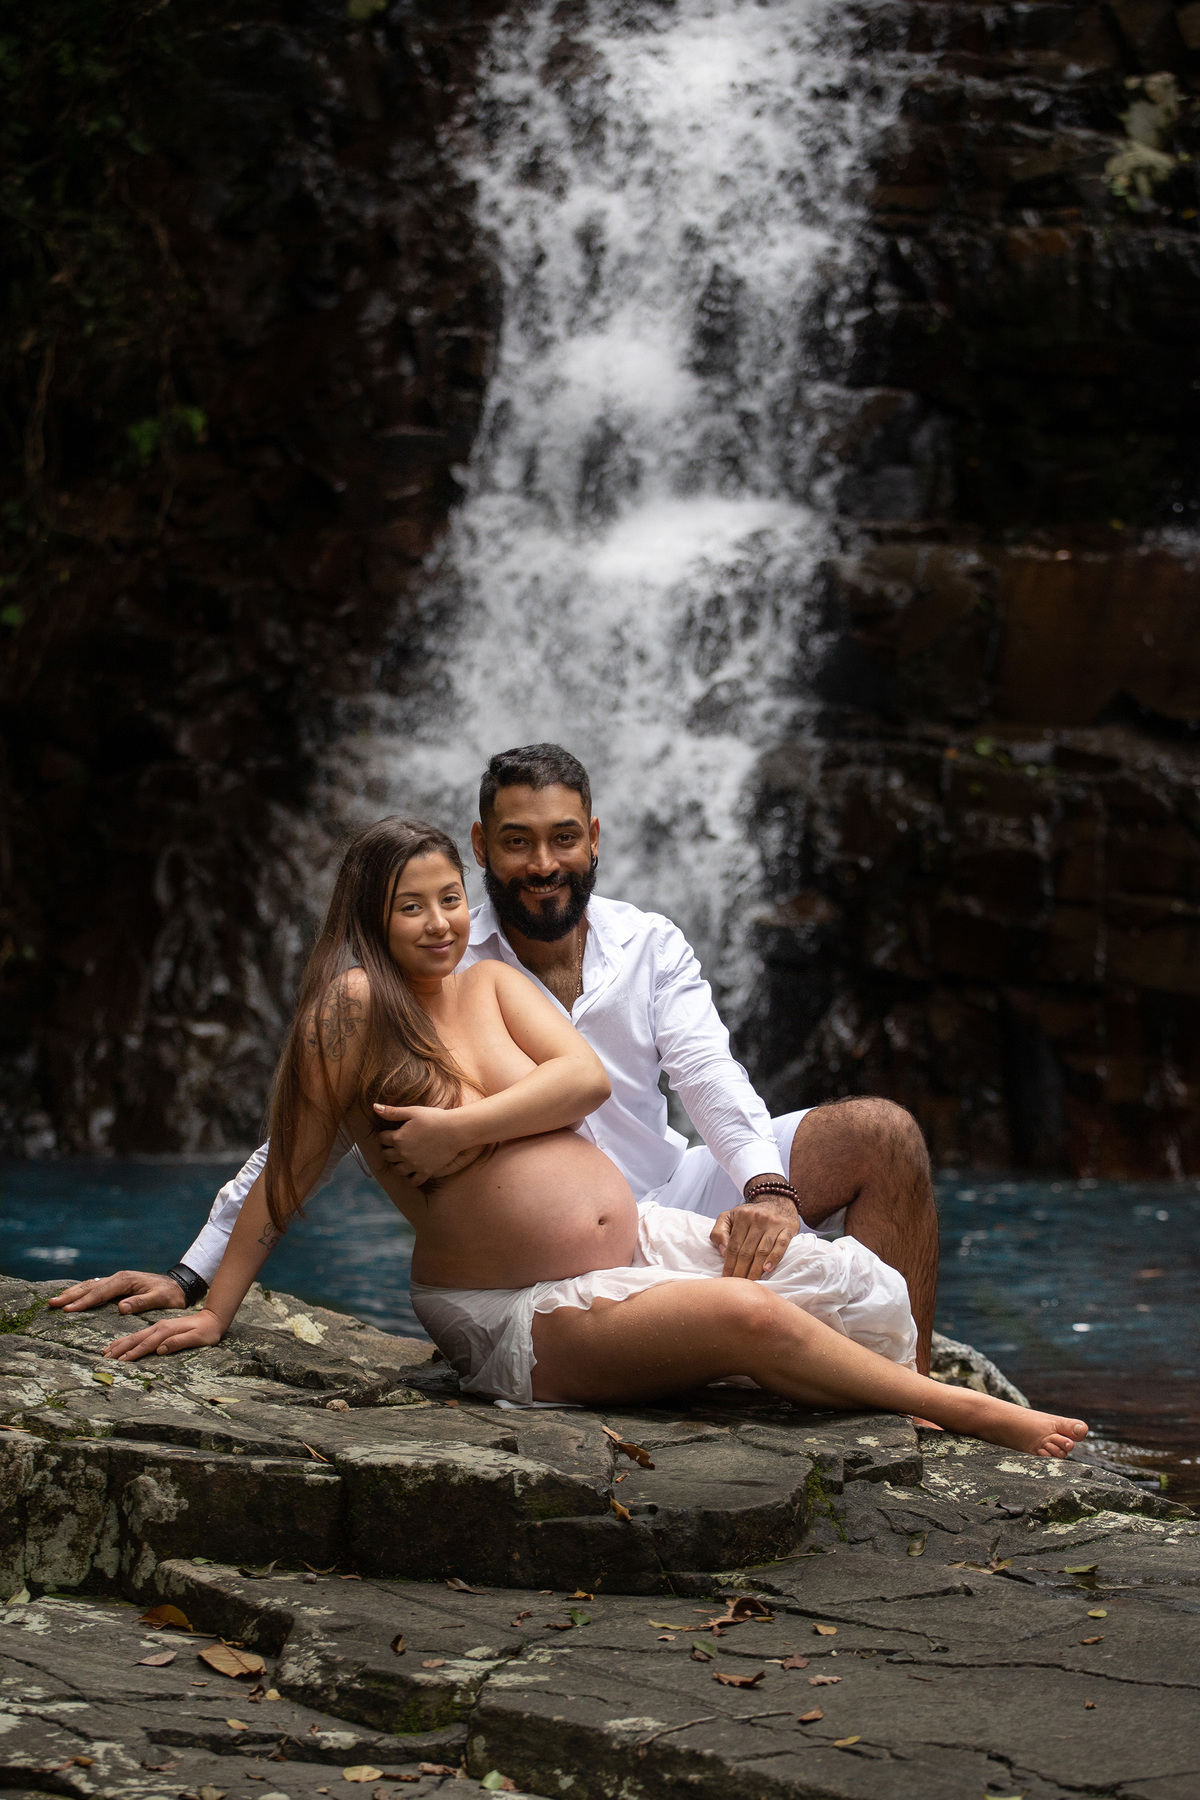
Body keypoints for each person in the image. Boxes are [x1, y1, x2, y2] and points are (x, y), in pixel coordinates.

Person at [99, 814, 1088, 1460]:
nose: (442, 921)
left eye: (450, 897)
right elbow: (288, 1169)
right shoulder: (352, 1010)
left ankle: (883, 1380)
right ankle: (960, 1410)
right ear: (367, 915)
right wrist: (209, 1300)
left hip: (635, 1241)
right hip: (512, 1306)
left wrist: (461, 1132)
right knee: (754, 1320)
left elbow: (581, 1077)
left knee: (861, 1288)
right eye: (412, 905)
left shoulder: (487, 982)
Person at [53, 743, 936, 1370]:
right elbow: (305, 1134)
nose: (542, 863)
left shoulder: (649, 942)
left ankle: (917, 1401)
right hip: (541, 1257)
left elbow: (709, 1076)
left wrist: (766, 1190)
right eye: (516, 842)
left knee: (881, 1134)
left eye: (561, 838)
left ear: (594, 837)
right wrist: (193, 1272)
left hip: (668, 1197)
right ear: (482, 849)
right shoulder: (436, 961)